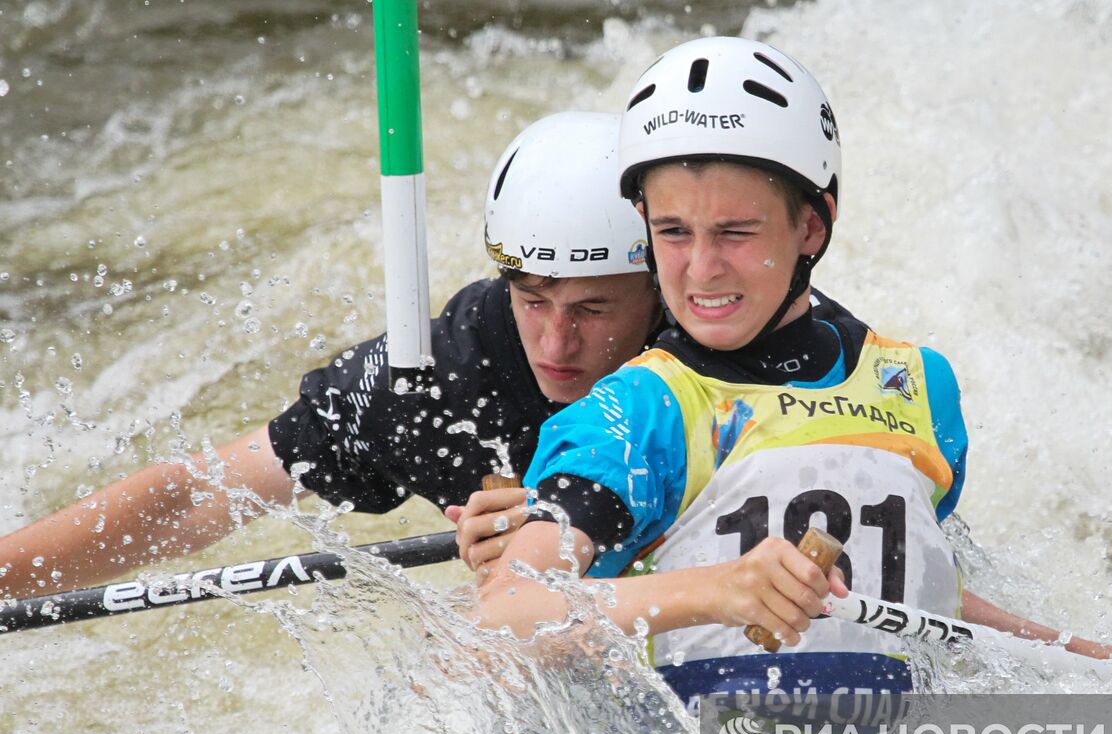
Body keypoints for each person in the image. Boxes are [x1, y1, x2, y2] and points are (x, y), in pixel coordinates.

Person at [467, 38, 1112, 708]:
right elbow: (503, 617)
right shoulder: (638, 410)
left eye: (735, 232)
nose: (700, 268)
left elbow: (917, 600)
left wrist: (1108, 666)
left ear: (811, 228)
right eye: (673, 231)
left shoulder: (919, 387)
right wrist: (717, 590)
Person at [0, 112, 660, 600]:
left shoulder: (714, 349)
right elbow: (197, 494)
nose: (555, 342)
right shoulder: (436, 378)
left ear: (659, 284)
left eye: (593, 310)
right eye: (533, 299)